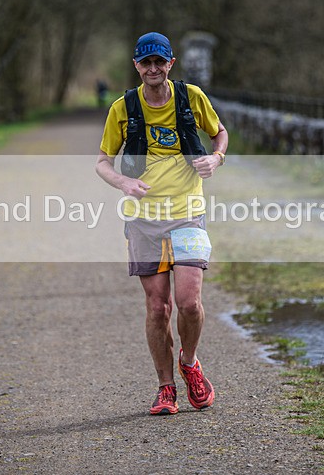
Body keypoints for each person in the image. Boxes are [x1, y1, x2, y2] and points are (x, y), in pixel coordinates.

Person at [95, 32, 228, 415]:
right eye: (145, 63)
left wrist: (216, 158)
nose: (152, 69)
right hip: (143, 219)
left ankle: (190, 364)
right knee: (158, 308)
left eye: (159, 62)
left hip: (188, 213)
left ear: (170, 64)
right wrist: (123, 182)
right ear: (136, 66)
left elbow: (220, 134)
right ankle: (165, 387)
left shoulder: (192, 98)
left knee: (189, 302)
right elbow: (102, 161)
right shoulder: (123, 107)